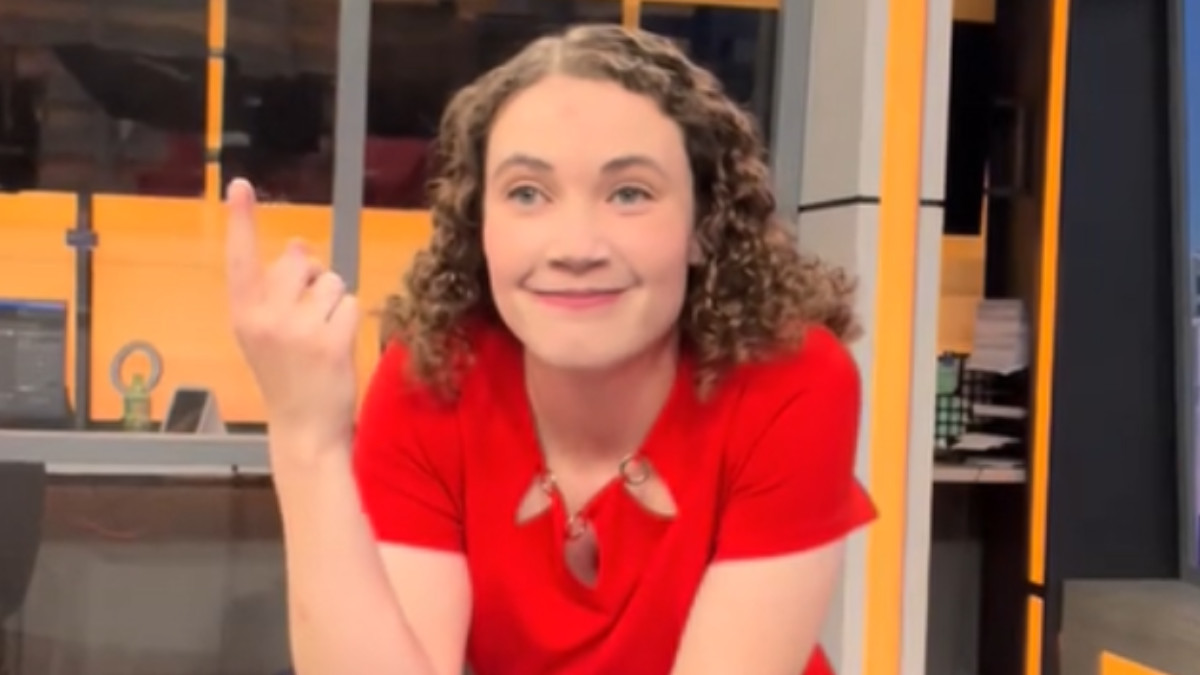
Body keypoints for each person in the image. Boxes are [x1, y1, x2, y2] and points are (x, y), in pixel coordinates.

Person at [226, 24, 875, 675]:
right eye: (527, 194)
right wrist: (307, 439)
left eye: (629, 193)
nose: (575, 247)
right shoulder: (434, 373)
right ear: (480, 225)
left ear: (703, 227)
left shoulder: (790, 378)